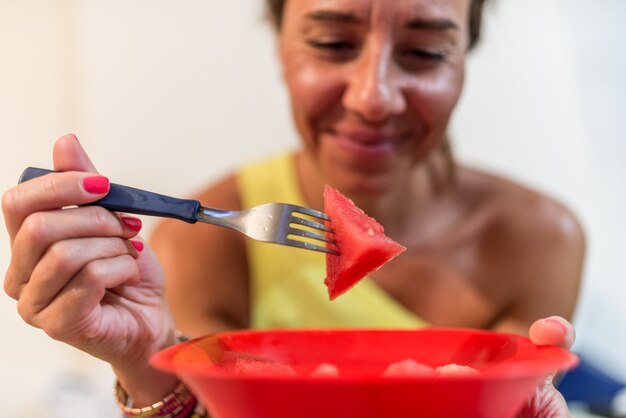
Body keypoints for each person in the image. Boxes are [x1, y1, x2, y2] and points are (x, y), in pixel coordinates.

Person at [2, 0, 585, 417]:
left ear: (463, 62)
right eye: (333, 43)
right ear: (280, 47)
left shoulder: (539, 240)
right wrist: (144, 359)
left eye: (425, 51)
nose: (372, 97)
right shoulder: (203, 240)